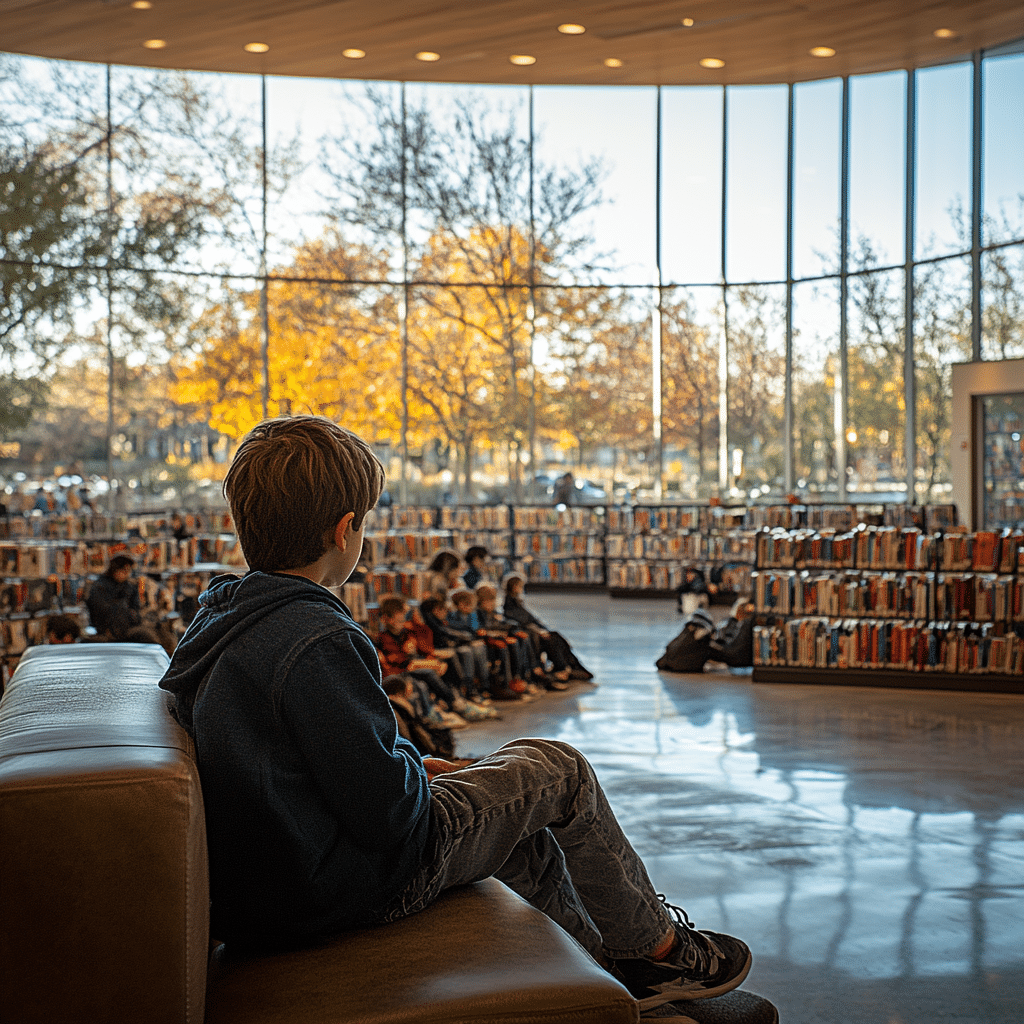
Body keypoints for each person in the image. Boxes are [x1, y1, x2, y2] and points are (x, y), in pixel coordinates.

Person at [157, 415, 766, 1021]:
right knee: (557, 769)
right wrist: (418, 778)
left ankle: (617, 986)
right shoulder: (317, 636)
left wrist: (412, 763)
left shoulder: (221, 620)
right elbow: (389, 817)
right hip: (343, 886)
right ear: (345, 532)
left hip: (275, 889)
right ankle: (660, 949)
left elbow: (293, 760)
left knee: (525, 838)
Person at [502, 571, 594, 681]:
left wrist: (543, 629)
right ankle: (565, 667)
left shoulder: (517, 602)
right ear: (515, 587)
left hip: (535, 630)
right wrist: (540, 630)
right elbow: (523, 622)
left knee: (555, 636)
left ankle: (568, 666)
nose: (522, 589)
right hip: (531, 633)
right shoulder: (510, 605)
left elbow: (531, 619)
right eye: (521, 586)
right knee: (552, 639)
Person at [85, 554, 171, 651]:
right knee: (147, 637)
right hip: (107, 630)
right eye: (124, 571)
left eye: (128, 571)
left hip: (128, 627)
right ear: (115, 570)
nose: (127, 574)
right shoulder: (99, 587)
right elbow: (101, 611)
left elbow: (136, 610)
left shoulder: (128, 587)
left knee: (161, 633)